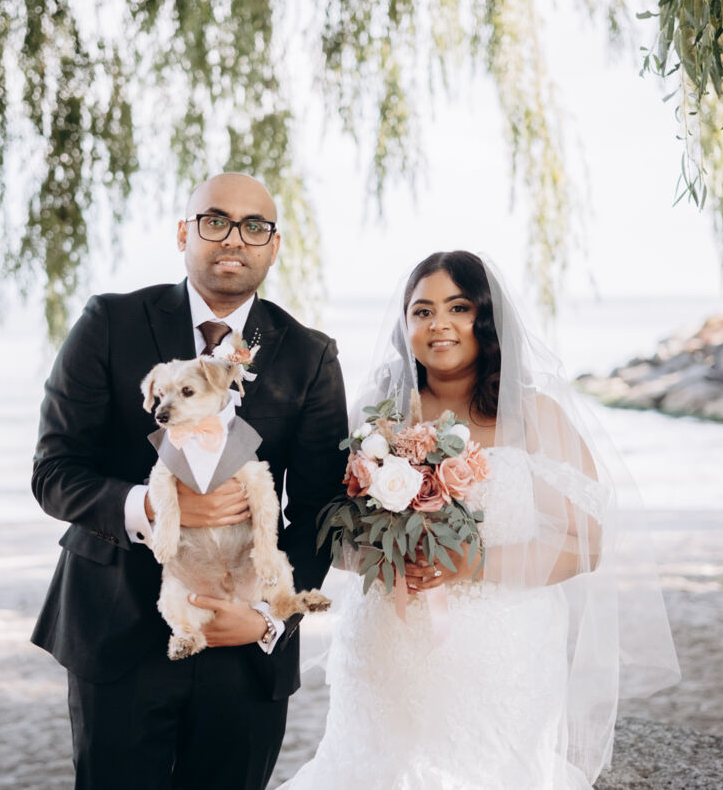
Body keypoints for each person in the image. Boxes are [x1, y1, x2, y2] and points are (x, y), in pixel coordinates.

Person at [280, 251, 679, 789]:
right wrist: (387, 555)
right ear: (405, 326)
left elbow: (585, 541)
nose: (438, 324)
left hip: (500, 654)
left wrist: (474, 561)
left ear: (486, 319)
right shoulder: (380, 416)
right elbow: (334, 533)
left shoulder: (534, 415)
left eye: (458, 307)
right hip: (383, 648)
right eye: (422, 311)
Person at [30, 172, 349, 790]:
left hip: (243, 642)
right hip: (117, 630)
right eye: (215, 221)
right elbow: (54, 471)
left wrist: (266, 617)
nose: (234, 238)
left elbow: (320, 509)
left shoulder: (309, 355)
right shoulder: (110, 322)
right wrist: (147, 508)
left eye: (254, 226)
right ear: (184, 233)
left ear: (274, 245)